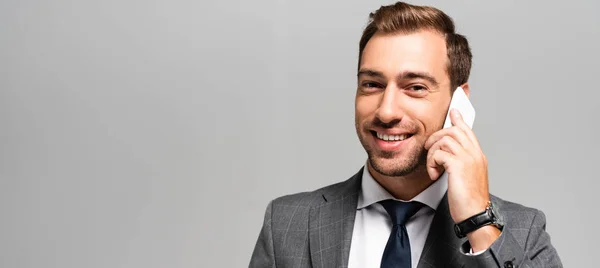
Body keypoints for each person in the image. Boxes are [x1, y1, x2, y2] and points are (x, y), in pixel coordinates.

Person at [249, 2, 562, 268]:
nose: (386, 112)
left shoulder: (524, 232)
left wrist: (478, 222)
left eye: (415, 88)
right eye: (372, 84)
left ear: (459, 101)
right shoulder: (286, 223)